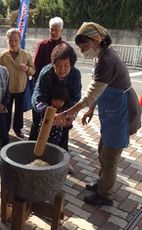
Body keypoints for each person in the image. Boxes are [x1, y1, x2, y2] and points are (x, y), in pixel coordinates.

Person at [54, 22, 141, 206]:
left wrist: (66, 114)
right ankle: (102, 184)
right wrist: (91, 110)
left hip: (122, 111)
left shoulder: (108, 60)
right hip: (111, 111)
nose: (82, 50)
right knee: (103, 150)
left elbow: (90, 94)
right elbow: (98, 90)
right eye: (80, 47)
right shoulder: (101, 57)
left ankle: (105, 195)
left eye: (84, 45)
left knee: (110, 157)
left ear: (97, 40)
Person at [32, 43, 82, 173]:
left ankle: (64, 162)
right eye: (58, 66)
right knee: (38, 134)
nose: (62, 70)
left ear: (71, 64)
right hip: (44, 110)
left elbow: (76, 98)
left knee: (63, 136)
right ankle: (35, 159)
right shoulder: (46, 72)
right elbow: (38, 96)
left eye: (66, 65)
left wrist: (70, 116)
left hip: (64, 111)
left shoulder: (75, 75)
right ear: (53, 64)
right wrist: (49, 115)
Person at [29, 16, 67, 140]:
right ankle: (33, 142)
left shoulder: (65, 47)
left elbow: (67, 69)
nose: (53, 32)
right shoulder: (42, 44)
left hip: (58, 91)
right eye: (51, 29)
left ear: (61, 30)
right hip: (42, 86)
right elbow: (35, 67)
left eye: (56, 29)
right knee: (38, 117)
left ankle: (56, 145)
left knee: (57, 120)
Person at [0, 28, 35, 138]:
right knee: (7, 110)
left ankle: (17, 128)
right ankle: (5, 129)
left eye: (16, 40)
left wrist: (26, 69)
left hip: (21, 87)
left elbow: (33, 70)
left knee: (19, 110)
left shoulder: (26, 55)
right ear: (7, 40)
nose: (13, 43)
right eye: (11, 40)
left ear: (20, 40)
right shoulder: (3, 56)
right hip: (7, 88)